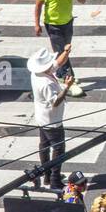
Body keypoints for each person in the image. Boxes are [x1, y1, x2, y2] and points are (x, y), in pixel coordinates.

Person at [33, 0, 85, 98]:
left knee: (64, 51)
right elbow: (38, 5)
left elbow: (82, 0)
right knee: (63, 52)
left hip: (67, 22)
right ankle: (70, 80)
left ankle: (61, 75)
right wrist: (37, 24)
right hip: (53, 24)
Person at [27, 45, 71, 192]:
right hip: (52, 121)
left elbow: (57, 63)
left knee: (44, 146)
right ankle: (55, 180)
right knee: (58, 149)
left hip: (42, 118)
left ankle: (46, 174)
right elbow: (55, 102)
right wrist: (66, 87)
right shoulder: (46, 83)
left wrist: (66, 52)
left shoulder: (37, 74)